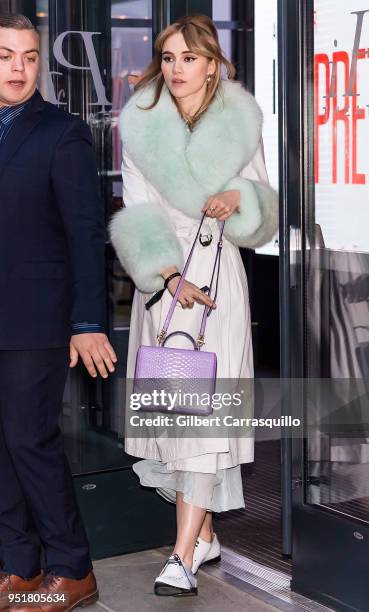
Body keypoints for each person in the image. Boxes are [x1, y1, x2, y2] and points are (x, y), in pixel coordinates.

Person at [110, 14, 278, 597]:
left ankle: (181, 557)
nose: (176, 68)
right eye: (169, 57)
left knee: (205, 419)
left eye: (188, 57)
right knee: (182, 417)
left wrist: (241, 195)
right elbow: (135, 211)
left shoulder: (240, 123)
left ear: (212, 63)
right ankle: (202, 537)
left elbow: (264, 208)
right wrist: (168, 276)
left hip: (219, 287)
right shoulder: (141, 124)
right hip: (166, 285)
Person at [0, 14, 116, 612]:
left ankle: (72, 568)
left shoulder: (61, 132)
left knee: (29, 439)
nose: (18, 68)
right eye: (5, 56)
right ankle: (19, 565)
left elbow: (85, 232)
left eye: (27, 56)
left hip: (36, 319)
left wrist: (89, 320)